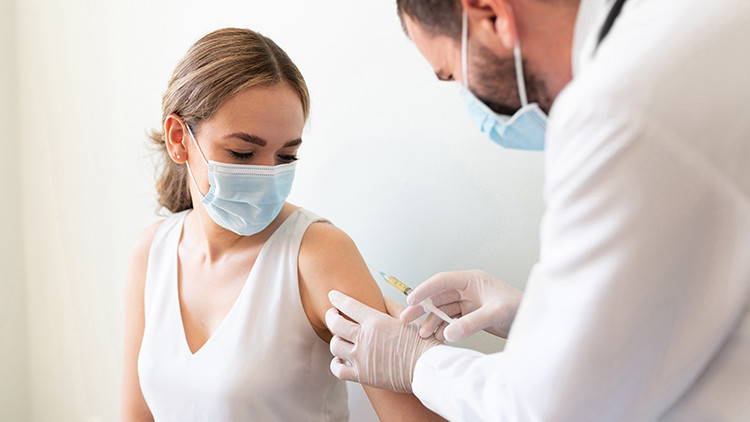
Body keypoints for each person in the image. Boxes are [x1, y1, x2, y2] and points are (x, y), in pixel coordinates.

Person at [325, 0, 750, 420]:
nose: (467, 97)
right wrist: (532, 314)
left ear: (491, 15)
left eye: (453, 74)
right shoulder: (697, 22)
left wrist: (417, 364)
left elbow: (550, 409)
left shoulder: (614, 113)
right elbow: (675, 300)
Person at [121, 27, 443, 421]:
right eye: (242, 153)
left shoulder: (319, 254)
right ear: (178, 138)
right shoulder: (151, 252)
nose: (266, 175)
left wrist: (430, 369)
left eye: (286, 157)